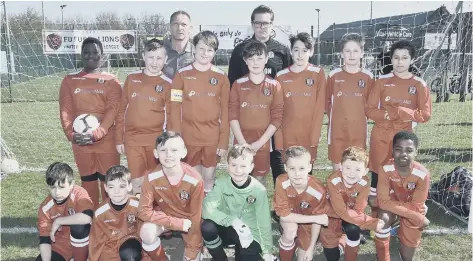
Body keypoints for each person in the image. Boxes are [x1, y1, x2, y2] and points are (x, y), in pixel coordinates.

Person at [366, 40, 432, 219]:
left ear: (412, 59)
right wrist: (389, 115)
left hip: (403, 139)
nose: (400, 61)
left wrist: (403, 112)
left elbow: (425, 115)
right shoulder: (381, 81)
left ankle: (399, 213)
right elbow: (369, 110)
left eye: (404, 57)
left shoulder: (419, 84)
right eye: (396, 57)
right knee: (377, 175)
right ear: (391, 59)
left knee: (400, 174)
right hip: (381, 135)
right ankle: (375, 217)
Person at [228, 5, 291, 184]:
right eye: (258, 23)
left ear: (272, 24)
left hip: (273, 124)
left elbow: (287, 80)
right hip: (246, 124)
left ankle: (279, 210)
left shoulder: (282, 50)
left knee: (278, 171)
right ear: (252, 24)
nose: (262, 27)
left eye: (266, 23)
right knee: (244, 171)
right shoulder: (240, 50)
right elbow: (232, 84)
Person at [59, 37, 122, 207]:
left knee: (109, 182)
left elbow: (113, 110)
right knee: (88, 180)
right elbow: (66, 110)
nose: (90, 56)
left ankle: (110, 218)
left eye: (95, 52)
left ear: (102, 55)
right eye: (86, 52)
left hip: (106, 140)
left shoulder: (112, 81)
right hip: (80, 141)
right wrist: (71, 134)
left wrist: (98, 132)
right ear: (81, 55)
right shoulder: (69, 81)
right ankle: (90, 216)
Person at [168, 31, 230, 194]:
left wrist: (223, 142)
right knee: (193, 178)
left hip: (212, 138)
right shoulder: (181, 75)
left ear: (215, 53)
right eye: (202, 48)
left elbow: (225, 112)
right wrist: (176, 137)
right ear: (194, 49)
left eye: (210, 50)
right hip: (189, 137)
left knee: (209, 177)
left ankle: (208, 214)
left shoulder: (221, 77)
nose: (205, 53)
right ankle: (195, 215)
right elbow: (174, 107)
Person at [115, 39, 172, 196]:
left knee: (156, 181)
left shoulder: (168, 84)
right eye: (151, 57)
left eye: (159, 58)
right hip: (132, 139)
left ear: (165, 60)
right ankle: (137, 218)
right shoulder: (132, 79)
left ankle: (154, 217)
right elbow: (121, 111)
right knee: (136, 181)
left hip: (156, 140)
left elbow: (172, 116)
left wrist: (168, 142)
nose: (154, 62)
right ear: (143, 56)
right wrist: (119, 139)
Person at [138, 131, 204, 261]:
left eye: (174, 150)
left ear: (183, 152)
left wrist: (192, 248)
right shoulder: (151, 178)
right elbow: (143, 211)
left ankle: (197, 249)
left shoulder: (195, 179)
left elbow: (196, 219)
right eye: (163, 150)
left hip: (189, 222)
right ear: (156, 153)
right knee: (146, 232)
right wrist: (176, 223)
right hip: (166, 219)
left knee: (191, 256)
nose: (168, 155)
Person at [201, 144, 274, 261]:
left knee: (247, 254)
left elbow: (264, 222)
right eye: (233, 165)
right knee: (207, 227)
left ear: (251, 167)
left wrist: (267, 251)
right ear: (227, 166)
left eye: (243, 166)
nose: (238, 170)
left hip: (249, 233)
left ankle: (242, 252)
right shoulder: (221, 184)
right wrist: (234, 221)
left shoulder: (259, 190)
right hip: (226, 228)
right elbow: (206, 209)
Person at [229, 40, 283, 187]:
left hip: (263, 143)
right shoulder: (238, 85)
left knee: (259, 182)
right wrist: (242, 143)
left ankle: (259, 210)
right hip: (241, 141)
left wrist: (260, 143)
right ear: (245, 61)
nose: (255, 62)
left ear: (266, 59)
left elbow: (277, 118)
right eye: (251, 58)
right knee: (239, 179)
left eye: (259, 58)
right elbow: (232, 116)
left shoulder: (274, 85)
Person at [371, 131, 430, 261]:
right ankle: (382, 256)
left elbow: (416, 206)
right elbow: (383, 202)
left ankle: (401, 227)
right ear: (392, 150)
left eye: (409, 150)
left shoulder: (422, 174)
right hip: (400, 207)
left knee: (406, 257)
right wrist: (418, 217)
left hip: (412, 208)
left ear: (416, 152)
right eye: (398, 149)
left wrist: (416, 214)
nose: (403, 154)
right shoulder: (385, 168)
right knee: (383, 217)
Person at [274, 32, 326, 169]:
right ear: (291, 51)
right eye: (296, 50)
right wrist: (279, 140)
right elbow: (277, 110)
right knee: (289, 174)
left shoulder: (318, 73)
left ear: (311, 52)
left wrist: (315, 136)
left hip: (308, 134)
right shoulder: (281, 76)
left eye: (304, 50)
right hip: (287, 134)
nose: (299, 55)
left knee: (306, 175)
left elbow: (320, 107)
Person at [326, 147, 385, 261]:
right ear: (341, 167)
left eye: (357, 170)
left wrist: (359, 221)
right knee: (332, 256)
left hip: (352, 215)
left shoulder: (365, 182)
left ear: (365, 172)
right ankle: (342, 241)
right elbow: (341, 211)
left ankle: (350, 256)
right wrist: (371, 222)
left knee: (354, 229)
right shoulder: (332, 181)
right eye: (347, 168)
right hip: (331, 216)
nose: (352, 173)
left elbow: (359, 209)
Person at [326, 33, 374, 172]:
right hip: (337, 132)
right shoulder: (333, 76)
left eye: (355, 51)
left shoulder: (368, 77)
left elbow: (371, 105)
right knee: (338, 171)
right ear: (341, 54)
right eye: (347, 51)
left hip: (358, 133)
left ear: (362, 53)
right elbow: (327, 102)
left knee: (357, 171)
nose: (351, 55)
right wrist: (337, 118)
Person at [273, 146, 330, 261]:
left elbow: (317, 221)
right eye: (292, 168)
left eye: (302, 168)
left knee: (304, 258)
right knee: (290, 231)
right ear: (285, 168)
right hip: (290, 220)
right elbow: (283, 214)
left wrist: (311, 248)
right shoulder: (281, 181)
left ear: (309, 167)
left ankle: (301, 245)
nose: (297, 173)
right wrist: (316, 219)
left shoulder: (317, 191)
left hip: (308, 225)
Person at [36, 162, 94, 261]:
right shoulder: (45, 208)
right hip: (61, 247)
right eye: (53, 187)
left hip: (86, 244)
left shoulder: (79, 193)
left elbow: (87, 217)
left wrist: (59, 221)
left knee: (79, 226)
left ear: (72, 184)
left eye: (61, 187)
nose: (57, 192)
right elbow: (45, 240)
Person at [89, 165, 144, 261]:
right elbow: (96, 242)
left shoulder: (138, 205)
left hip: (131, 242)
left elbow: (144, 231)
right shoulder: (100, 212)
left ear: (129, 186)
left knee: (130, 253)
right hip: (110, 248)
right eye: (111, 186)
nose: (116, 191)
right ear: (105, 188)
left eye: (122, 186)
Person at [162, 10, 195, 79]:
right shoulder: (160, 52)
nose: (180, 28)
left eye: (184, 24)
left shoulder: (197, 53)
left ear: (190, 28)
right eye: (176, 24)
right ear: (169, 27)